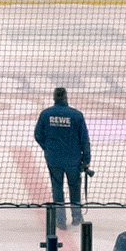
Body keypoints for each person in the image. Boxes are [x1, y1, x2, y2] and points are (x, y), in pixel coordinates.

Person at [34, 86, 91, 229]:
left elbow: (38, 135)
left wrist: (48, 149)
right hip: (73, 159)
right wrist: (87, 159)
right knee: (74, 187)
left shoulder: (46, 114)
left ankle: (60, 220)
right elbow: (84, 139)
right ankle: (77, 217)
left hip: (54, 159)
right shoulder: (76, 115)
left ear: (54, 98)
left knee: (57, 188)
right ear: (66, 97)